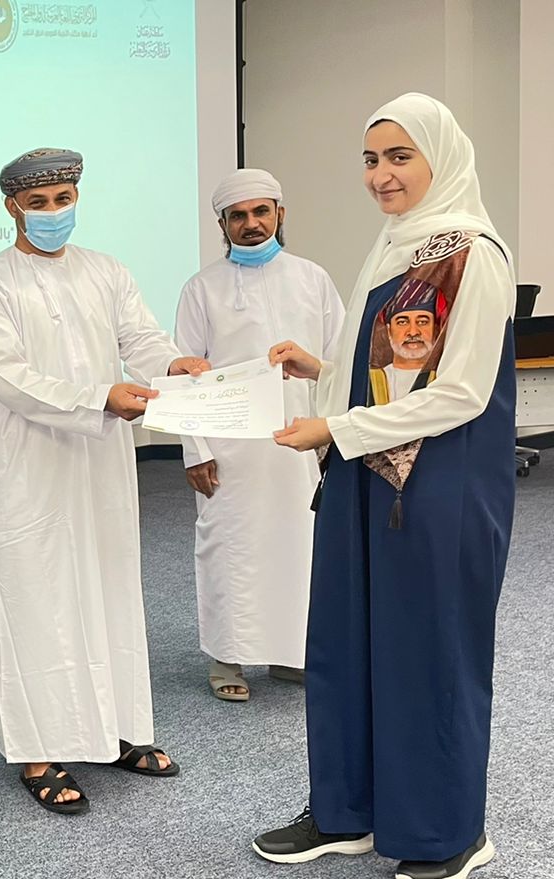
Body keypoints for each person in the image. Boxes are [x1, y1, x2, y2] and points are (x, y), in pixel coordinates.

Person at [254, 93, 515, 879]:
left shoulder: (473, 255)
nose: (381, 175)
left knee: (429, 651)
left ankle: (449, 830)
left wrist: (336, 428)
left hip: (439, 487)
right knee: (346, 642)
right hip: (362, 478)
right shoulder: (395, 246)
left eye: (400, 157)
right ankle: (348, 810)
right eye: (371, 159)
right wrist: (323, 373)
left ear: (441, 158)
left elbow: (461, 393)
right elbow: (393, 366)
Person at [0, 147, 208, 816]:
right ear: (12, 207)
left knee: (110, 586)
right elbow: (8, 378)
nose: (52, 212)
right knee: (35, 601)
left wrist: (172, 364)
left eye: (62, 199)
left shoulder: (105, 270)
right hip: (26, 467)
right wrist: (99, 397)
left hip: (99, 462)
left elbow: (140, 337)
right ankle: (37, 751)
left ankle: (117, 729)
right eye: (38, 203)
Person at [174, 169, 344, 702]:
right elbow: (183, 375)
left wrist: (333, 434)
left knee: (299, 546)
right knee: (229, 548)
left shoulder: (313, 278)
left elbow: (339, 362)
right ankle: (226, 656)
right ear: (223, 224)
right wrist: (194, 451)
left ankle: (290, 653)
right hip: (229, 451)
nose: (251, 224)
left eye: (261, 212)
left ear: (280, 214)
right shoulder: (202, 288)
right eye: (238, 216)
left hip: (300, 442)